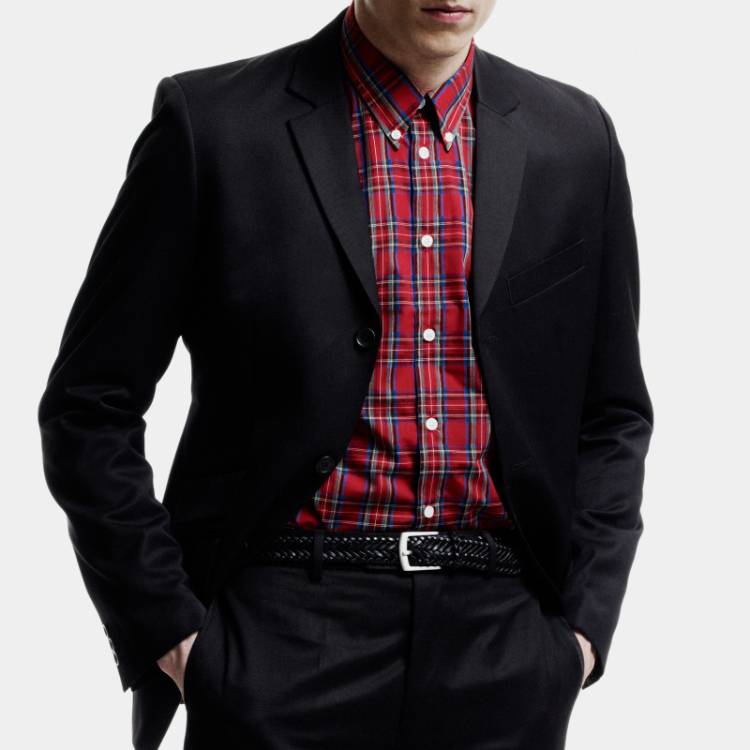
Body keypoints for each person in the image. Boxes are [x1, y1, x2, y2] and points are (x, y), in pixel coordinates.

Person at [37, 1, 654, 748]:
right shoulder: (214, 125)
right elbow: (89, 404)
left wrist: (581, 631)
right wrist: (171, 630)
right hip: (280, 633)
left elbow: (612, 413)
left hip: (503, 641)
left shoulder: (576, 138)